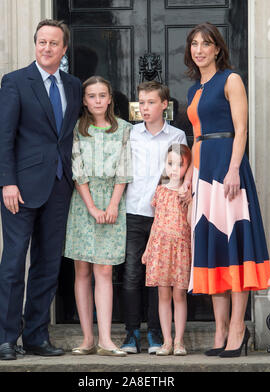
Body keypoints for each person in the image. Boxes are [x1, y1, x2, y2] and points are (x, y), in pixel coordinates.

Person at [0, 19, 82, 360]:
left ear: (63, 49)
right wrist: (7, 182)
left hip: (60, 187)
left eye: (54, 43)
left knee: (47, 265)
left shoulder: (73, 86)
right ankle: (4, 338)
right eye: (42, 42)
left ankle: (35, 336)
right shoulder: (16, 82)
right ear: (36, 45)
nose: (47, 48)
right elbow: (3, 137)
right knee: (14, 262)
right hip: (21, 188)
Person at [183, 22, 270, 357]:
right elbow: (195, 137)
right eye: (194, 44)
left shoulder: (231, 80)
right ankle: (220, 330)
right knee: (213, 248)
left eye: (206, 44)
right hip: (203, 174)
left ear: (218, 48)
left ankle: (238, 328)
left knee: (234, 246)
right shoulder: (194, 90)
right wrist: (191, 179)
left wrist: (234, 169)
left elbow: (241, 129)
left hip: (228, 169)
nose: (200, 49)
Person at [64, 76, 132, 357]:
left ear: (109, 99)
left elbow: (124, 169)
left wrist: (113, 204)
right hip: (83, 203)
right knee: (82, 269)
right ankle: (87, 338)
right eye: (91, 96)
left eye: (102, 95)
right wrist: (91, 207)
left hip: (113, 200)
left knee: (104, 269)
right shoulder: (77, 130)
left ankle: (105, 339)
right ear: (84, 100)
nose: (97, 101)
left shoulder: (125, 130)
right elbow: (77, 169)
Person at [121, 81, 187, 354]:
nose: (145, 107)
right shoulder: (131, 134)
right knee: (132, 274)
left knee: (160, 277)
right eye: (141, 102)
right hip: (135, 211)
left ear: (164, 105)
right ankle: (131, 332)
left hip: (166, 217)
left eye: (150, 102)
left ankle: (156, 334)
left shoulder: (177, 136)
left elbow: (186, 170)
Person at [142, 143, 192, 356]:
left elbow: (190, 222)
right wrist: (147, 249)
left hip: (180, 249)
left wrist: (190, 197)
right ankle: (167, 341)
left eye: (180, 165)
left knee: (179, 294)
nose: (174, 169)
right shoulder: (160, 191)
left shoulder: (187, 193)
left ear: (187, 167)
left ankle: (180, 341)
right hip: (160, 249)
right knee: (163, 294)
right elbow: (156, 221)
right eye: (170, 163)